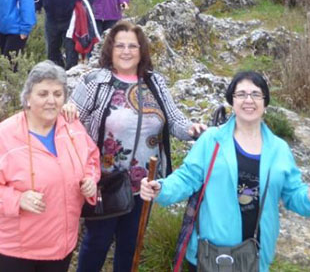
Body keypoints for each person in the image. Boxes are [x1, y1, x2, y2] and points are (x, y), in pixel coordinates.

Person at [140, 71, 310, 272]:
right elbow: (187, 178)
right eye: (241, 94)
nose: (248, 100)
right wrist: (160, 188)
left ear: (265, 103)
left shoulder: (279, 149)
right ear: (232, 101)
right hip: (210, 256)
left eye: (255, 94)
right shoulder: (211, 140)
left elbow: (293, 195)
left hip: (255, 257)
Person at [65, 21, 206, 272]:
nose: (126, 51)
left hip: (144, 184)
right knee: (97, 242)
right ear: (110, 49)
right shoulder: (95, 81)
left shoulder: (154, 82)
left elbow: (173, 119)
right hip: (104, 182)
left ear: (142, 51)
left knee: (131, 244)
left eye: (133, 45)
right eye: (120, 45)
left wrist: (192, 130)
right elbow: (71, 122)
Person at [0, 61, 100, 272]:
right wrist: (17, 199)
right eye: (43, 94)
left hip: (62, 246)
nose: (51, 101)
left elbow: (92, 159)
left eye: (58, 94)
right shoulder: (4, 136)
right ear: (28, 97)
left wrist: (90, 179)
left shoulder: (72, 127)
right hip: (18, 251)